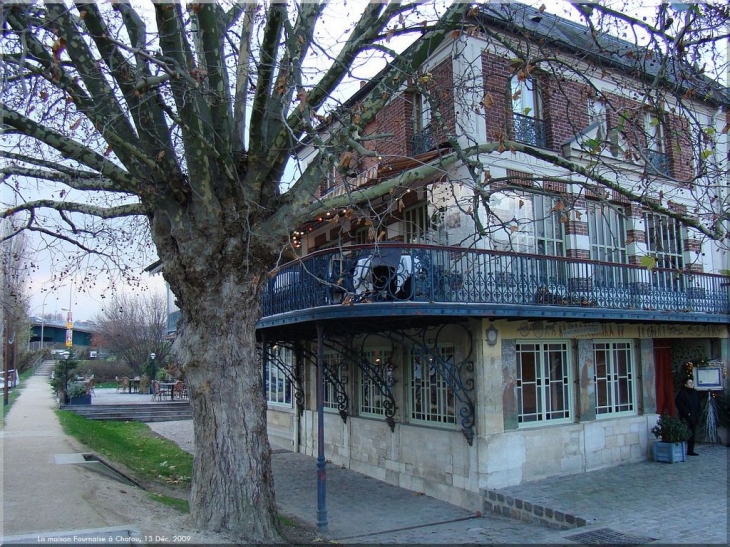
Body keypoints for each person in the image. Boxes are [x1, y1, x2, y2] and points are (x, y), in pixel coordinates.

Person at [675, 378, 701, 456]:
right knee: (683, 433)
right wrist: (687, 413)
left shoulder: (695, 392)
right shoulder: (682, 393)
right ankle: (680, 450)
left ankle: (690, 451)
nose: (691, 384)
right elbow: (679, 404)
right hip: (685, 417)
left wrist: (697, 414)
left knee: (692, 434)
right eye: (689, 383)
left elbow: (698, 404)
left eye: (692, 382)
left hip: (694, 416)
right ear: (685, 384)